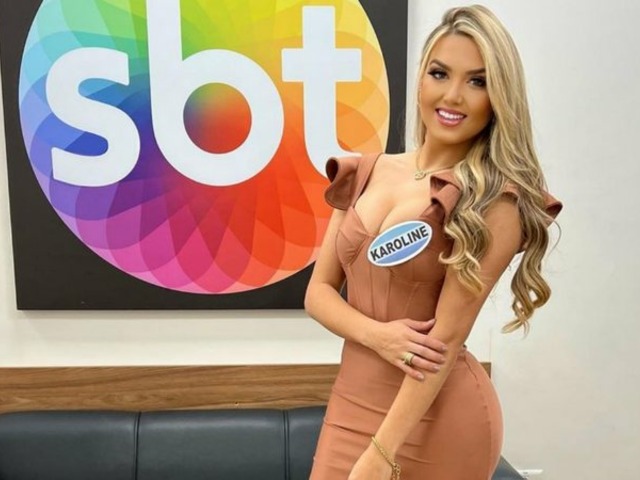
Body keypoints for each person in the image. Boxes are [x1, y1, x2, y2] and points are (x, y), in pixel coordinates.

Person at [304, 5, 563, 480]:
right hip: (351, 399)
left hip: (435, 415)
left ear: (499, 98)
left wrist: (380, 455)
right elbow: (318, 294)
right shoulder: (365, 172)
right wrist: (379, 336)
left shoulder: (493, 201)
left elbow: (445, 340)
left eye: (478, 81)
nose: (453, 95)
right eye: (440, 73)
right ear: (421, 78)